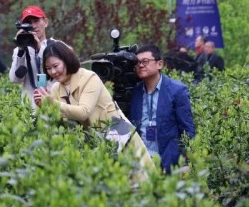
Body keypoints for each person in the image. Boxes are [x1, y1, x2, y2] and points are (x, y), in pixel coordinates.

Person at [33, 41, 155, 175]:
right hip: (94, 144)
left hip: (118, 137)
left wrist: (51, 103)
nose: (53, 72)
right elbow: (56, 121)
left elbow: (83, 113)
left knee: (137, 185)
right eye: (48, 68)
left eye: (56, 66)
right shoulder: (56, 88)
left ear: (67, 60)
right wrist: (43, 107)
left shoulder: (89, 78)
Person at [130, 44, 196, 174]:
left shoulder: (177, 90)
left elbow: (187, 128)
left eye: (145, 61)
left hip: (167, 160)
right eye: (137, 63)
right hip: (140, 161)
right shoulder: (134, 92)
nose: (141, 65)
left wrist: (191, 159)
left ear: (159, 64)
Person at [9, 5, 60, 104]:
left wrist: (39, 49)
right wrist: (21, 49)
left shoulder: (57, 46)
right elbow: (14, 79)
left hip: (53, 105)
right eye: (28, 23)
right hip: (29, 109)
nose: (33, 26)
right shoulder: (20, 50)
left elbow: (60, 74)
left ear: (45, 22)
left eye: (36, 21)